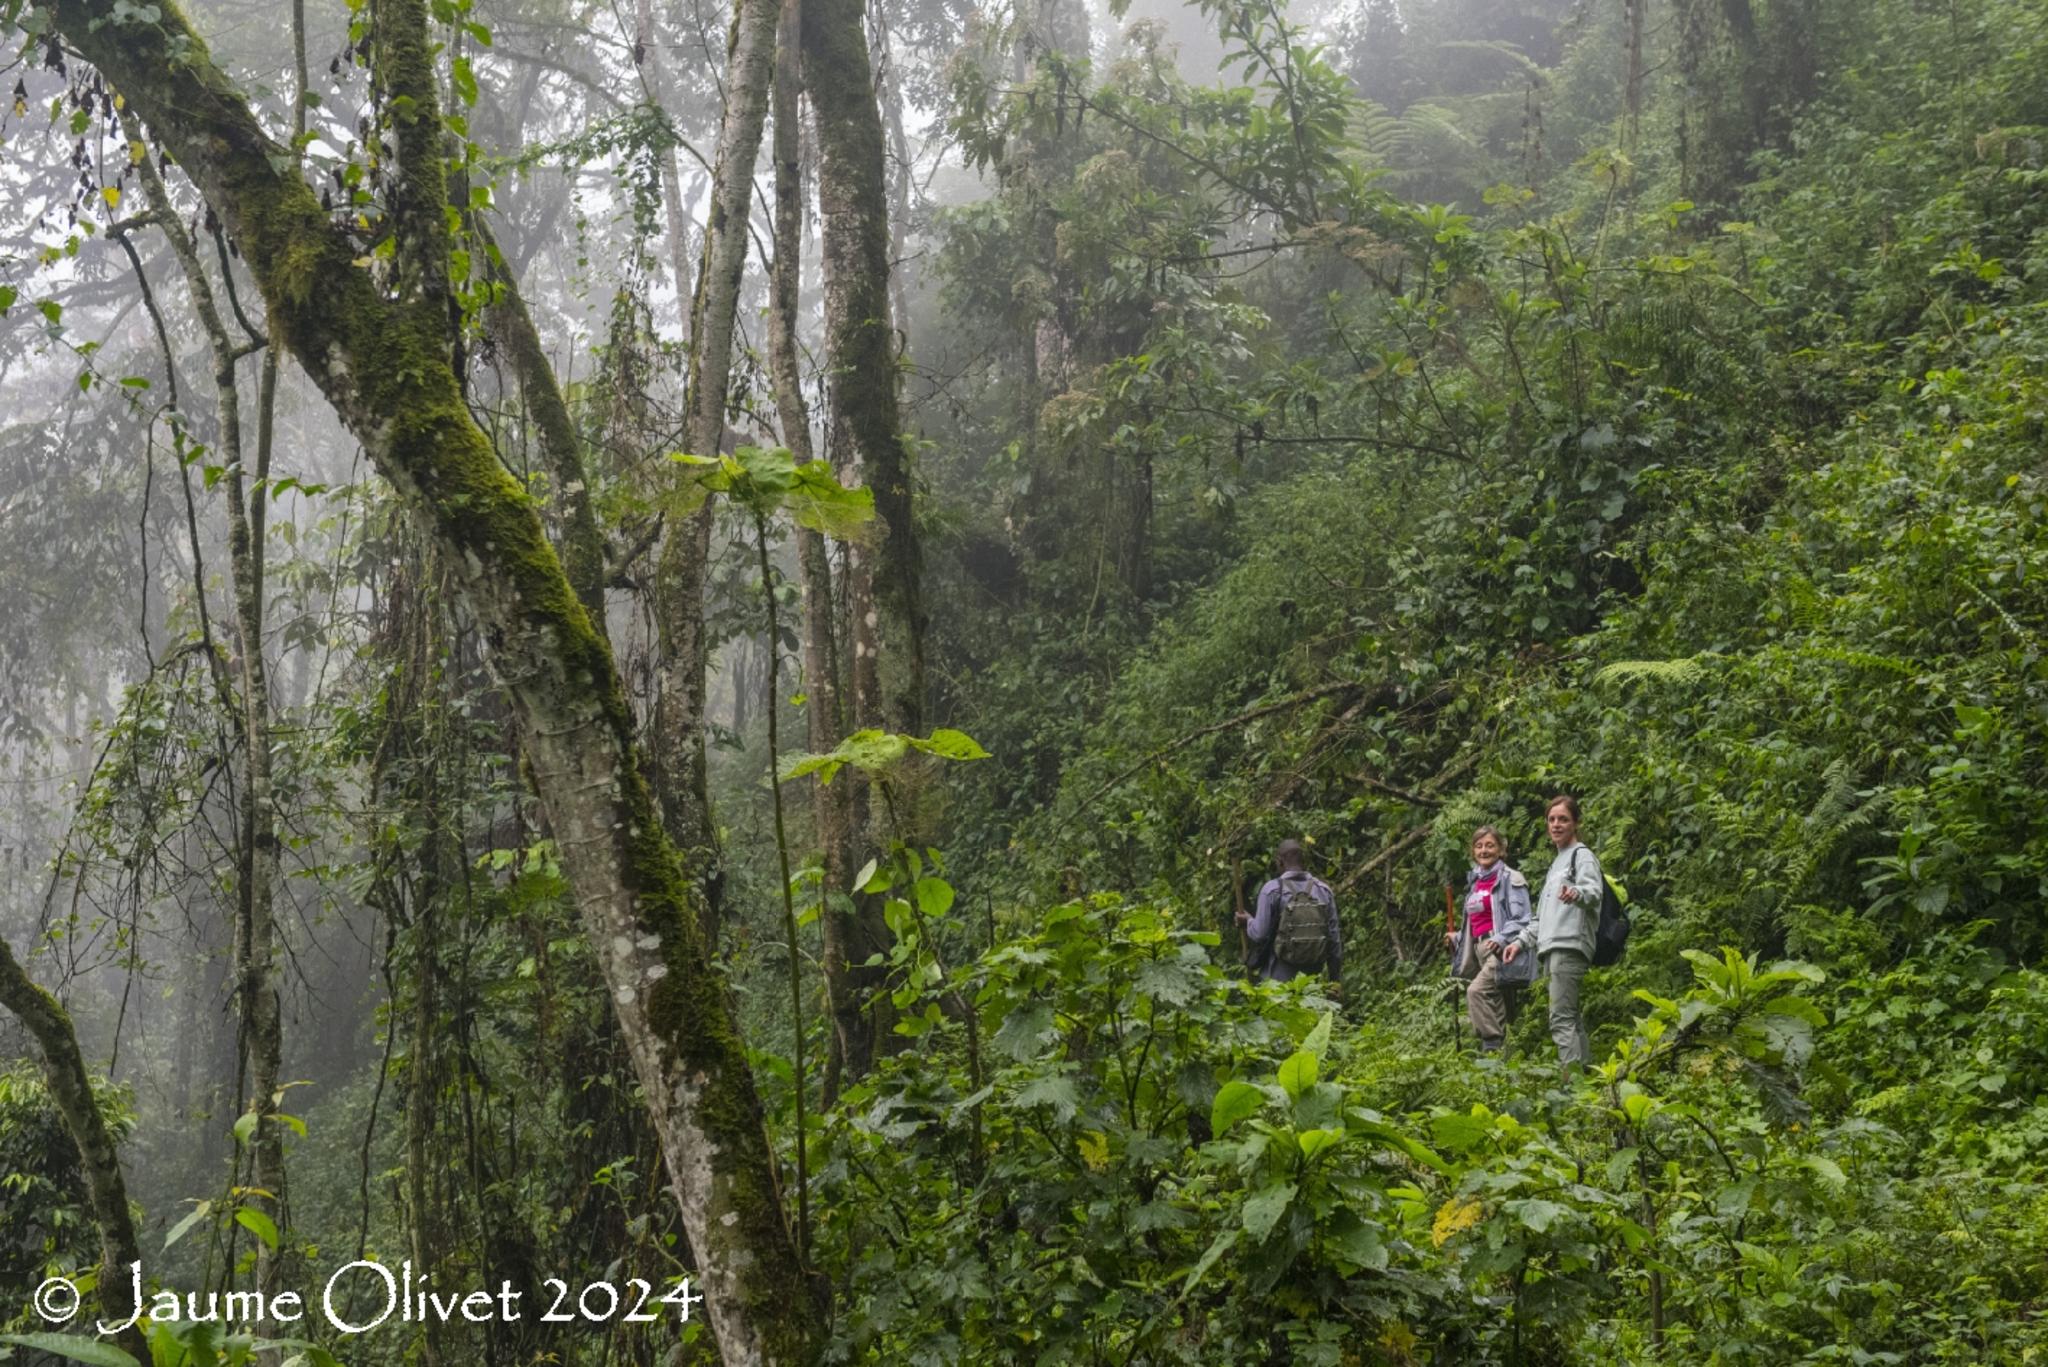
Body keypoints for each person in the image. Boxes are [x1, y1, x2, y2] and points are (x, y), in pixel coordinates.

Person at [1503, 796, 1603, 1073]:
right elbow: (1541, 917)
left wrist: (1577, 893)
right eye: (1552, 819)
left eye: (1563, 819)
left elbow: (1594, 892)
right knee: (1570, 1018)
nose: (1556, 825)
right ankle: (1586, 1081)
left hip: (1569, 944)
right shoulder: (1557, 863)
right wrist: (1520, 943)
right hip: (1552, 947)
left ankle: (1572, 1088)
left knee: (1561, 1019)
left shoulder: (1581, 855)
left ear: (1576, 823)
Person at [1445, 825, 1535, 1052]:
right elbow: (1475, 923)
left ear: (1501, 850)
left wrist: (1502, 938)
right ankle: (1508, 1061)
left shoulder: (1511, 878)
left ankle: (1491, 1047)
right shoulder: (1475, 882)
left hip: (1500, 949)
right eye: (1479, 846)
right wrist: (1457, 938)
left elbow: (1522, 918)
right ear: (1473, 851)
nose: (1484, 850)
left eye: (1489, 845)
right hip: (1478, 949)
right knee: (1500, 1004)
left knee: (1476, 991)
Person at [1238, 838, 1343, 997]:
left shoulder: (1272, 890)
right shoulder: (1323, 891)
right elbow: (1334, 942)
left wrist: (1248, 922)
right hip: (1311, 985)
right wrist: (1335, 982)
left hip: (1277, 984)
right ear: (1303, 861)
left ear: (1279, 862)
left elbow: (1259, 934)